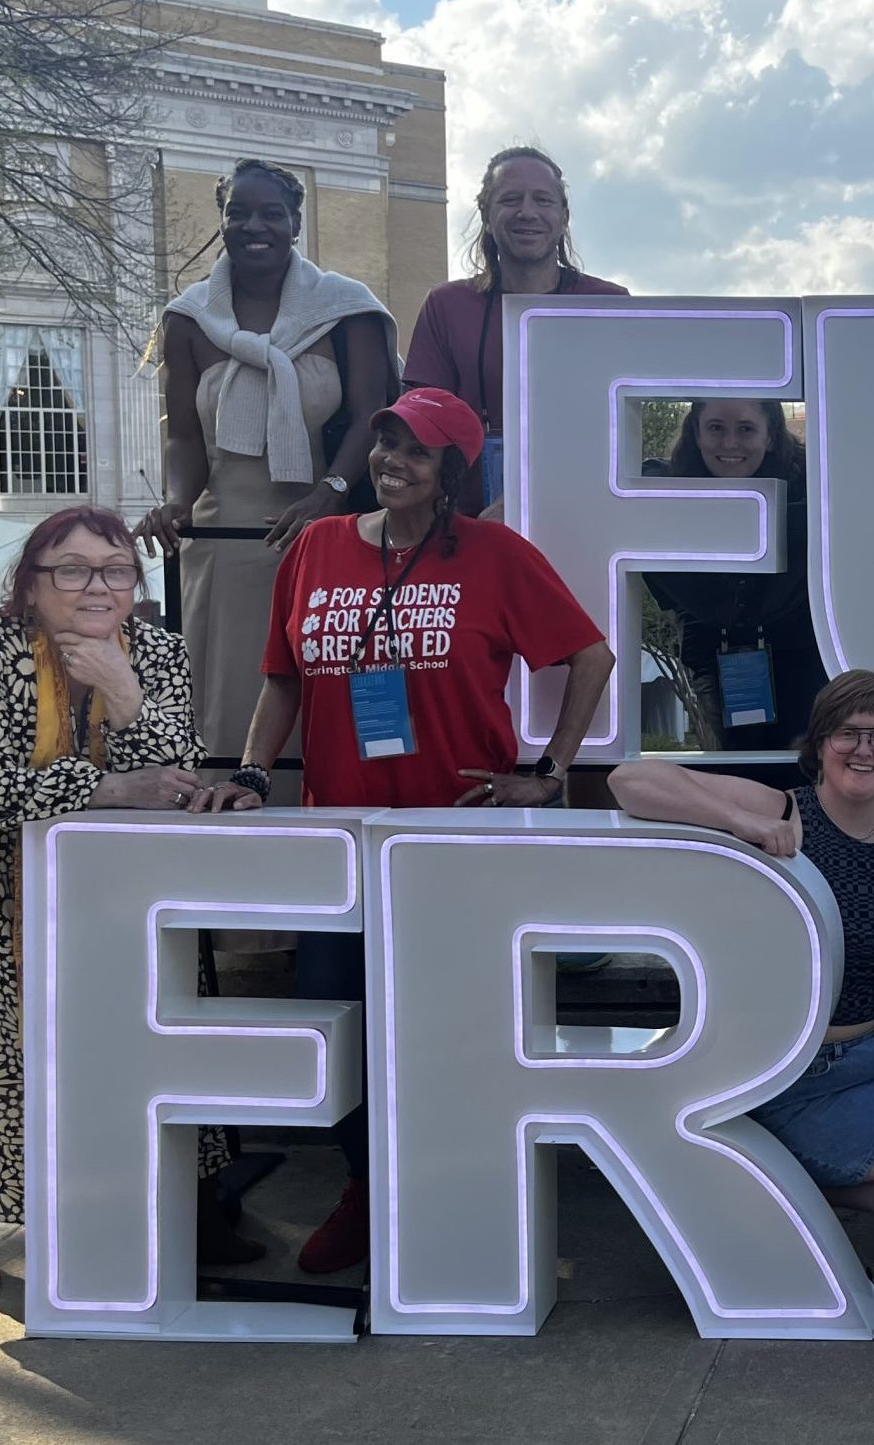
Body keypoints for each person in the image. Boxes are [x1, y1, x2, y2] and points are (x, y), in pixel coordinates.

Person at [194, 386, 616, 1271]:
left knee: (453, 1033)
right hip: (342, 838)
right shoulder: (314, 547)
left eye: (416, 451)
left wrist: (545, 772)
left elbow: (590, 655)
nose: (392, 462)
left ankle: (451, 1197)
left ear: (452, 472)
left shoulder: (497, 556)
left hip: (459, 841)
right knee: (340, 1024)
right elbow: (282, 680)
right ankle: (366, 1188)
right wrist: (250, 773)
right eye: (385, 443)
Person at [0, 507, 262, 1294]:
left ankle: (180, 1202)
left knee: (137, 1027)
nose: (97, 586)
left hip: (110, 879)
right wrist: (110, 786)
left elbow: (173, 778)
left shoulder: (156, 650)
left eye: (116, 570)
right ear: (31, 584)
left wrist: (122, 690)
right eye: (72, 570)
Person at [607, 671, 874, 1219]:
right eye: (848, 733)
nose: (863, 749)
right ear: (819, 744)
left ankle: (815, 1178)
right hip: (807, 1078)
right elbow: (629, 780)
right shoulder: (782, 812)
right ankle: (805, 1183)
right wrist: (739, 822)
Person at [135, 158, 398, 774]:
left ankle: (339, 822)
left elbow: (371, 416)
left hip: (329, 529)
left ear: (296, 223)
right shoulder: (189, 317)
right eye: (240, 212)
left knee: (334, 671)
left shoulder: (345, 308)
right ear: (223, 222)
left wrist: (328, 494)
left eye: (271, 213)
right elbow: (185, 439)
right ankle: (232, 824)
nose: (256, 225)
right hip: (225, 535)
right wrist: (177, 502)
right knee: (229, 688)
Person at [402, 146, 629, 515]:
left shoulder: (608, 304)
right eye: (510, 199)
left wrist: (527, 499)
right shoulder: (446, 305)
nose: (527, 212)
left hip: (586, 520)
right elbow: (420, 426)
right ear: (486, 215)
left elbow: (618, 430)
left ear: (564, 216)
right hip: (469, 524)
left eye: (543, 199)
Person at [641, 400, 825, 770]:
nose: (729, 443)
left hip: (804, 652)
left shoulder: (815, 489)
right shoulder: (664, 490)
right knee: (738, 768)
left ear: (771, 434)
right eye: (715, 428)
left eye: (745, 429)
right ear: (696, 432)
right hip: (717, 653)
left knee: (807, 765)